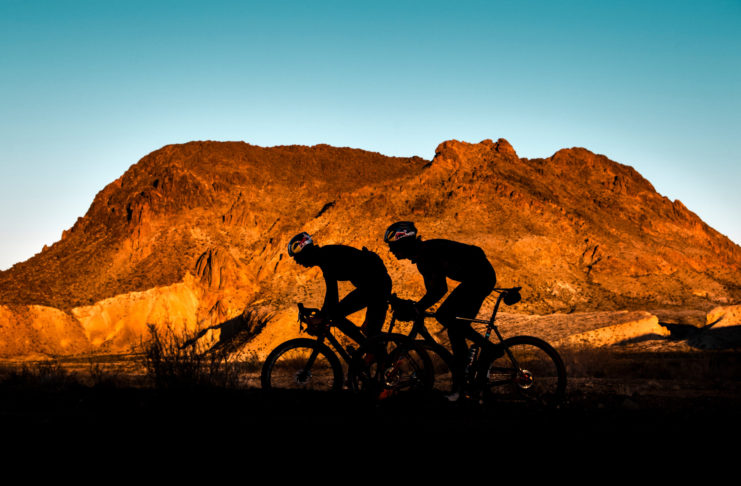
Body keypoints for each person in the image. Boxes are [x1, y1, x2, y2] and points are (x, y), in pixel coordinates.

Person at [383, 221, 500, 401]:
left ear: (404, 243)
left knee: (448, 320)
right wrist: (416, 306)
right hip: (476, 277)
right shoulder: (423, 255)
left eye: (393, 246)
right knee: (452, 324)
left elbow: (439, 290)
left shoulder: (426, 254)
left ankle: (481, 361)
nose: (391, 250)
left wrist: (417, 307)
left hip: (480, 277)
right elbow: (432, 291)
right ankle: (465, 379)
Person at [287, 232, 392, 345]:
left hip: (376, 286)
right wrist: (322, 315)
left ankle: (370, 348)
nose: (297, 262)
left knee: (336, 315)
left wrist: (321, 316)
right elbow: (331, 297)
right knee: (369, 331)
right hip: (374, 285)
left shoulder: (326, 257)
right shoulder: (324, 255)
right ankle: (373, 349)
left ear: (305, 253)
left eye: (297, 258)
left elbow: (332, 295)